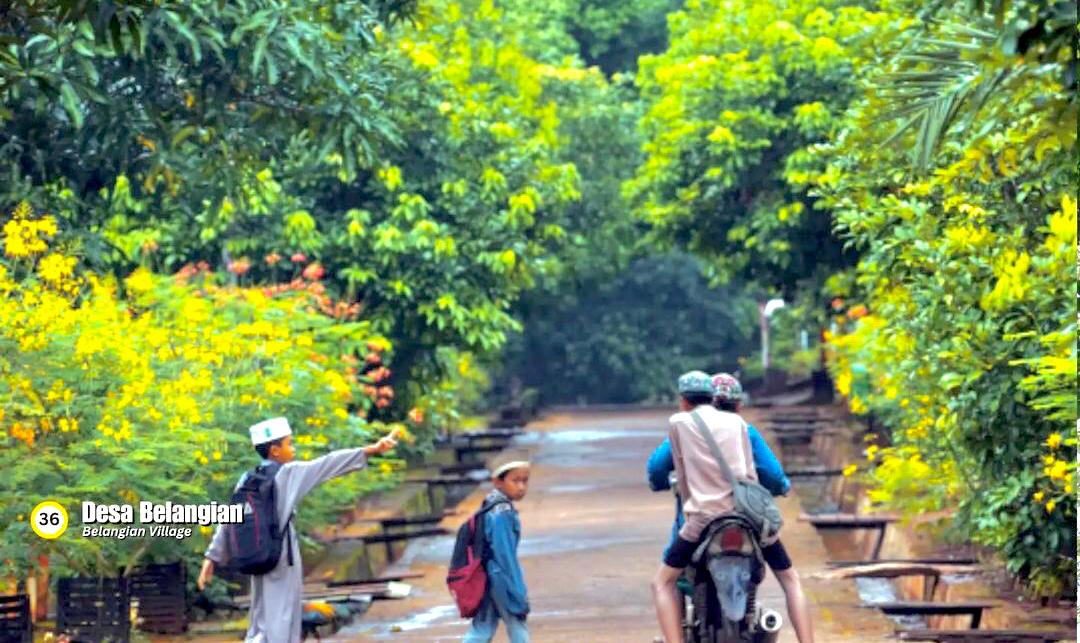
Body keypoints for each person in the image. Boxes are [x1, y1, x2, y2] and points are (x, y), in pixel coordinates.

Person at [197, 417, 400, 643]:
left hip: (256, 555)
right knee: (283, 617)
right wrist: (372, 450)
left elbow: (229, 518)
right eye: (289, 443)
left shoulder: (247, 479)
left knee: (261, 617)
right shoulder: (288, 474)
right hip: (281, 558)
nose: (293, 449)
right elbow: (327, 464)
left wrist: (212, 557)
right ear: (275, 450)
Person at [464, 452, 531, 643]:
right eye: (515, 481)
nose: (521, 487)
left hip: (487, 573)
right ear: (498, 482)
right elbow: (504, 554)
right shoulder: (502, 511)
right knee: (516, 621)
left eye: (525, 481)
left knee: (482, 628)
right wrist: (516, 589)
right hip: (500, 575)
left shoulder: (490, 503)